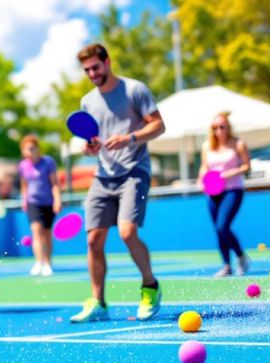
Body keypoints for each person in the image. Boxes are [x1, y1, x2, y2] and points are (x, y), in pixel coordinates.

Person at [70, 43, 165, 323]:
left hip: (134, 171)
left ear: (107, 62)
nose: (92, 73)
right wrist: (91, 147)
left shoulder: (135, 89)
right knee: (93, 239)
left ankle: (150, 286)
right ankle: (98, 302)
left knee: (126, 233)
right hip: (103, 174)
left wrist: (130, 138)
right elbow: (94, 140)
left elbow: (158, 125)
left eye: (95, 67)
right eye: (86, 70)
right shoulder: (87, 101)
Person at [198, 112, 251, 277]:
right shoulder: (207, 146)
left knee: (223, 226)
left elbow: (247, 166)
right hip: (213, 191)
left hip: (232, 189)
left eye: (222, 126)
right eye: (215, 127)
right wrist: (201, 180)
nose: (218, 130)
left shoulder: (238, 144)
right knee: (217, 230)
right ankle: (227, 266)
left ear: (228, 127)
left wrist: (228, 174)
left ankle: (241, 257)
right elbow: (204, 167)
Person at [18, 135, 62, 277]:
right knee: (36, 231)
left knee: (47, 234)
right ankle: (39, 262)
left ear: (37, 148)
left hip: (48, 202)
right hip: (33, 203)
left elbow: (54, 184)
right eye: (27, 149)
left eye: (32, 148)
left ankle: (48, 263)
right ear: (23, 151)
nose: (30, 151)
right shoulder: (23, 165)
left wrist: (57, 200)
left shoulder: (48, 162)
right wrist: (24, 200)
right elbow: (24, 185)